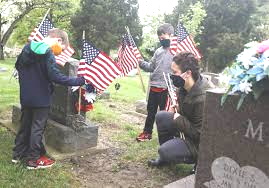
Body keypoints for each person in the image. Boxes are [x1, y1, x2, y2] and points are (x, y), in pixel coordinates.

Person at [12, 28, 85, 169]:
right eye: (62, 48)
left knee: (25, 125)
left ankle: (17, 154)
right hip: (41, 98)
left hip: (26, 96)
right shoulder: (48, 52)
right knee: (37, 129)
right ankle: (33, 160)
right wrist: (78, 81)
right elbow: (55, 76)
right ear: (58, 40)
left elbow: (18, 66)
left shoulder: (27, 48)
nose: (61, 52)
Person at [148, 52, 210, 173]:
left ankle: (198, 162)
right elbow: (187, 113)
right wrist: (177, 110)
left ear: (187, 74)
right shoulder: (183, 87)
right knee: (161, 116)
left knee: (164, 151)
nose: (172, 76)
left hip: (198, 144)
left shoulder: (203, 98)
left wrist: (177, 118)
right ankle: (165, 159)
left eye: (175, 72)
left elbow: (199, 134)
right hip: (187, 128)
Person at [136, 23, 174, 142]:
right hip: (154, 87)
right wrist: (141, 62)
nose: (161, 40)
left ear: (171, 35)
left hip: (166, 89)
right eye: (160, 39)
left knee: (164, 115)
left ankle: (165, 138)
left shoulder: (175, 51)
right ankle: (147, 133)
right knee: (151, 112)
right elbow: (151, 67)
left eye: (163, 38)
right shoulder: (158, 51)